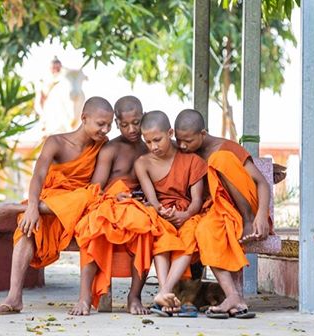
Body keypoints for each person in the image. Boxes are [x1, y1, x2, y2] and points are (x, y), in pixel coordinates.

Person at [0, 97, 114, 315]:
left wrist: (32, 207)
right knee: (26, 226)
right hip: (51, 203)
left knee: (87, 197)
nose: (106, 129)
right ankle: (14, 297)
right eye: (101, 124)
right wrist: (32, 207)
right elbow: (38, 176)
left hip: (79, 206)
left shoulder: (103, 147)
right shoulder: (56, 142)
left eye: (109, 125)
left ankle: (13, 208)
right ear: (84, 118)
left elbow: (94, 189)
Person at [173, 108, 273, 319]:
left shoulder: (227, 148)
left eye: (187, 140)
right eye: (179, 140)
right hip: (218, 211)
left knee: (219, 159)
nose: (182, 146)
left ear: (203, 133)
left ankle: (245, 220)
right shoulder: (186, 153)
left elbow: (261, 183)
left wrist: (260, 216)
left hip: (246, 210)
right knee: (205, 231)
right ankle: (233, 297)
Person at [70, 96, 155, 316]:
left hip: (135, 206)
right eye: (124, 124)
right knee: (93, 227)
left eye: (136, 122)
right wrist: (115, 197)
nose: (132, 129)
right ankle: (84, 296)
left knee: (146, 227)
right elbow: (95, 187)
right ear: (117, 123)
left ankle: (134, 296)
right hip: (109, 202)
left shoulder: (150, 148)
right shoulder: (111, 149)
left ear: (143, 118)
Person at [134, 110, 207, 317]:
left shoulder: (193, 160)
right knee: (161, 235)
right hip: (162, 213)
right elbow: (153, 201)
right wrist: (162, 211)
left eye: (157, 140)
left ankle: (163, 292)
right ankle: (166, 296)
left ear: (170, 133)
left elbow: (197, 201)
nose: (153, 147)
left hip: (187, 213)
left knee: (191, 235)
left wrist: (184, 215)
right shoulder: (142, 163)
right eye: (147, 142)